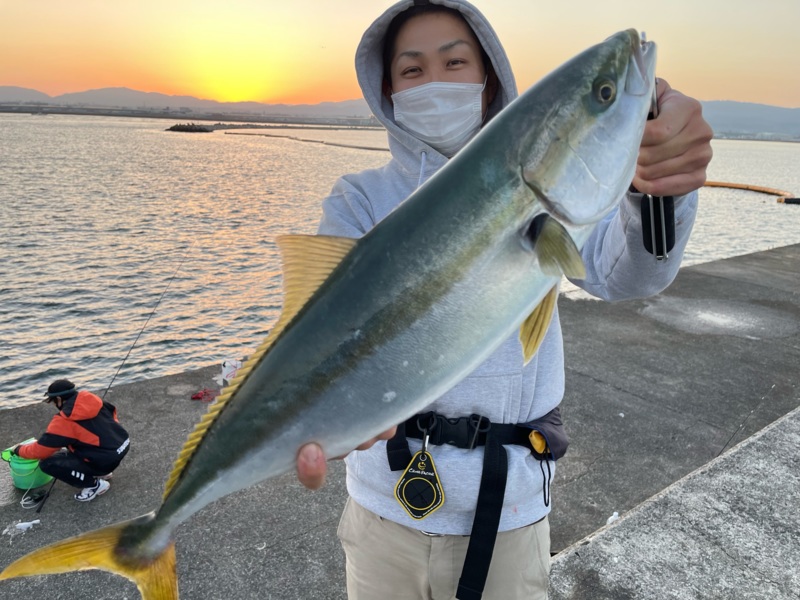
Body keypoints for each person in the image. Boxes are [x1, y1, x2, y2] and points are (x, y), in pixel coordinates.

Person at [294, 1, 713, 598]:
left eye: (455, 62)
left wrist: (655, 188)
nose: (434, 81)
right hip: (381, 512)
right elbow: (317, 325)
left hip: (507, 513)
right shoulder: (362, 197)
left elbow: (630, 278)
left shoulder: (556, 181)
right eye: (412, 71)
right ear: (388, 90)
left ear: (488, 78)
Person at [9, 379, 130, 502]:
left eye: (53, 401)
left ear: (59, 399)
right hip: (122, 445)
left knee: (47, 463)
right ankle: (101, 472)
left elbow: (39, 451)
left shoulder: (64, 421)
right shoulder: (95, 401)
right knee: (72, 446)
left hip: (104, 460)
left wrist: (18, 450)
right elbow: (113, 418)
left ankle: (94, 485)